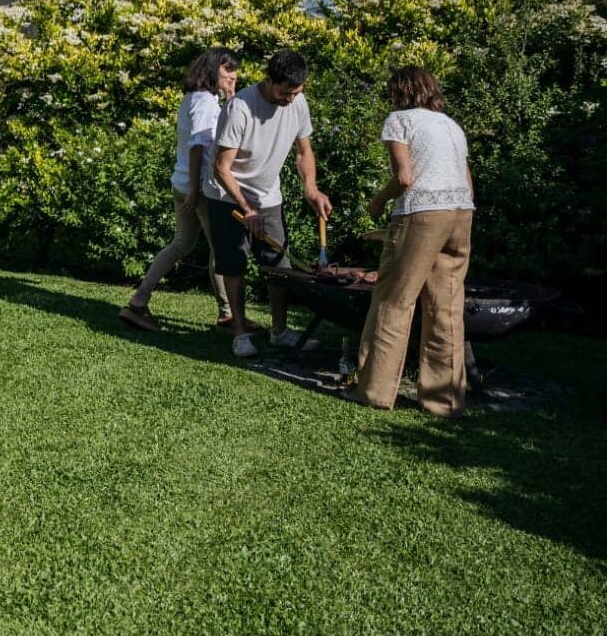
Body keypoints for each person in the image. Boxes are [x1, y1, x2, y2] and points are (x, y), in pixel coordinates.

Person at [350, 67, 476, 417]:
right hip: (461, 213)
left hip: (422, 212)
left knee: (394, 300)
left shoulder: (400, 120)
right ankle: (444, 401)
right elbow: (467, 181)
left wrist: (377, 201)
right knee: (446, 309)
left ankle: (375, 391)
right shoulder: (451, 125)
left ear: (399, 92)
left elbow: (405, 178)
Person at [202, 49, 333, 357]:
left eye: (296, 92)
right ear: (268, 80)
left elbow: (304, 151)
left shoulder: (298, 103)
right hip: (227, 197)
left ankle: (279, 331)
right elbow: (221, 168)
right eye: (284, 92)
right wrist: (246, 209)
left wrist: (311, 189)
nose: (290, 98)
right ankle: (240, 334)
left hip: (268, 197)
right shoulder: (240, 107)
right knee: (234, 266)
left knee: (279, 267)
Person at [120, 47, 240, 333]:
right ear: (213, 70)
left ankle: (139, 302)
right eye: (228, 70)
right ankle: (228, 316)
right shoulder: (204, 102)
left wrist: (231, 100)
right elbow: (198, 145)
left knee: (182, 245)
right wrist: (196, 190)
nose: (233, 76)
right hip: (198, 188)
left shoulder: (198, 98)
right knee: (220, 250)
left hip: (184, 183)